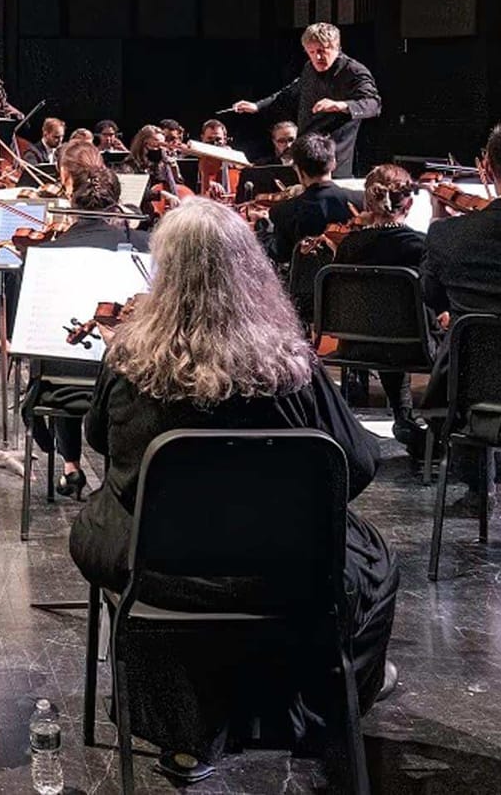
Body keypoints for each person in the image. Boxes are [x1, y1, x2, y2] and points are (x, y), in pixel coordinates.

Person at [70, 198, 398, 773]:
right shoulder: (292, 364)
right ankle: (330, 697)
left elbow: (99, 439)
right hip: (279, 566)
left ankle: (184, 722)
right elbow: (357, 464)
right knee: (374, 560)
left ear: (164, 271)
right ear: (252, 271)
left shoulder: (125, 358)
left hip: (154, 565)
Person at [420, 120, 501, 512]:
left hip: (468, 397)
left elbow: (431, 297)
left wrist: (439, 221)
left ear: (485, 168)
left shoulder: (447, 236)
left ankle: (480, 489)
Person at [24, 167, 149, 496]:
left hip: (56, 386)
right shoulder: (145, 245)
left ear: (71, 200)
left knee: (62, 357)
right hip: (126, 383)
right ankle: (118, 477)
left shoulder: (46, 252)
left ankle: (71, 467)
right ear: (116, 206)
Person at [334, 164, 429, 451]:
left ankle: (404, 417)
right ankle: (438, 428)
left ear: (367, 202)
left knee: (388, 323)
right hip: (413, 346)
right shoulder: (419, 245)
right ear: (409, 203)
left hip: (356, 345)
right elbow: (434, 297)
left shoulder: (348, 245)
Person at [232, 22, 381, 178]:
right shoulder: (309, 68)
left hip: (333, 158)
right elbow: (289, 92)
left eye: (322, 51)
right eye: (311, 52)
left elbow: (373, 103)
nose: (317, 57)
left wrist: (340, 105)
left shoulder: (354, 71)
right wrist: (257, 106)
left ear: (336, 47)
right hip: (306, 153)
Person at [255, 132, 363, 265]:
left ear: (298, 169)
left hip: (305, 284)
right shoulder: (360, 201)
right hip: (351, 282)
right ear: (334, 163)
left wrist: (262, 226)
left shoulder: (282, 211)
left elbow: (280, 254)